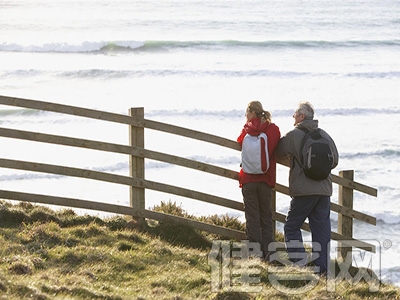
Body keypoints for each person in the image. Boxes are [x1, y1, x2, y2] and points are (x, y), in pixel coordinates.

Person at [275, 101, 339, 275]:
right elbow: (335, 160)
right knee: (321, 231)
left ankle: (300, 265)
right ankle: (322, 270)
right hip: (324, 190)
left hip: (304, 191)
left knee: (291, 226)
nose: (293, 117)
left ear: (302, 116)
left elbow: (277, 151)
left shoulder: (293, 135)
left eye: (295, 114)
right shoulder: (325, 135)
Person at [237, 100, 281, 260]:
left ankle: (255, 254)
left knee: (252, 217)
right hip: (266, 179)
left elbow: (239, 141)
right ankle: (270, 254)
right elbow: (277, 143)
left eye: (246, 113)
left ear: (252, 113)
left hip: (248, 179)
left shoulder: (247, 129)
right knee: (266, 217)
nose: (245, 116)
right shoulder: (273, 129)